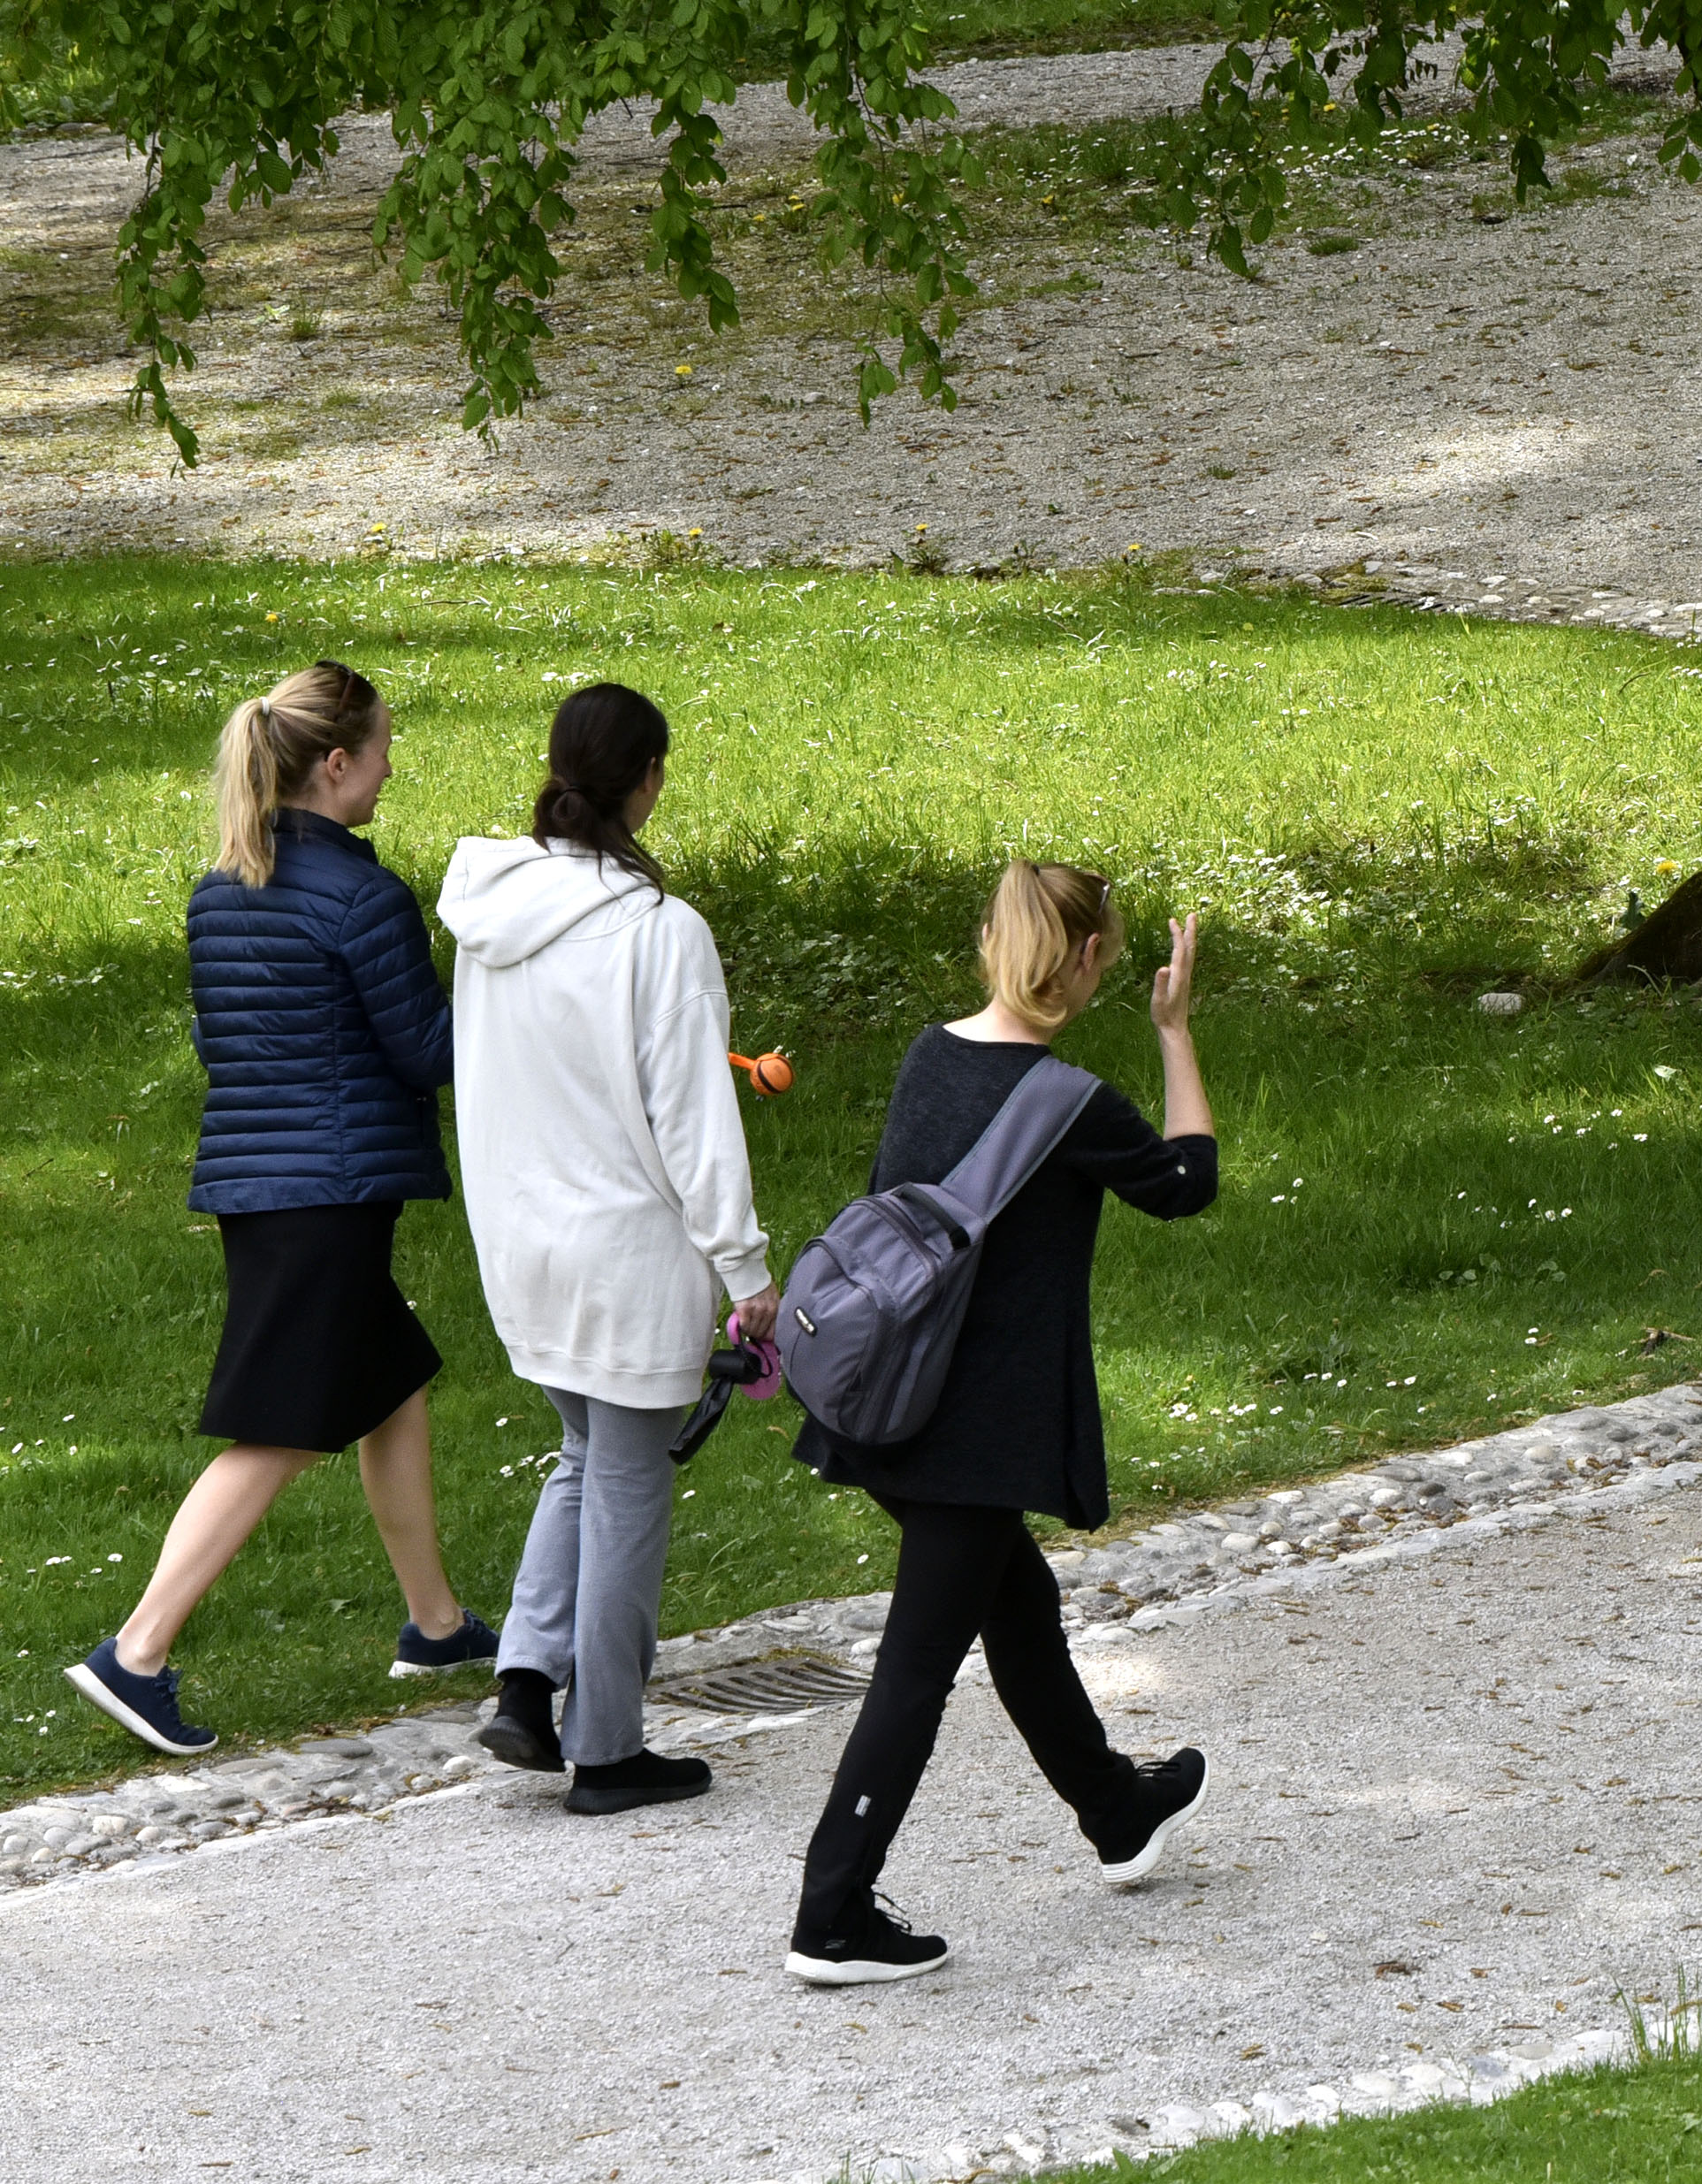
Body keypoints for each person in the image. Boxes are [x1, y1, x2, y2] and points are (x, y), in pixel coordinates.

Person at [782, 861, 1219, 1985]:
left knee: (1018, 1604)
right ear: (1084, 960)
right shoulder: (1072, 1103)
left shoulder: (928, 1059)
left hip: (885, 1405)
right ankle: (832, 1915)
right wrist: (1174, 1032)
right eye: (1108, 960)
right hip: (973, 1438)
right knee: (918, 1665)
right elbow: (1186, 1181)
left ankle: (1118, 1810)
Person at [70, 663, 496, 1759]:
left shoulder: (223, 887)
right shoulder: (364, 896)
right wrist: (513, 998)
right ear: (338, 762)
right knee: (280, 1428)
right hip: (333, 1191)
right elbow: (427, 1051)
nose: (394, 764)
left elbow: (231, 1047)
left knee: (390, 1384)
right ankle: (138, 1652)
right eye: (386, 746)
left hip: (261, 1188)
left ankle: (438, 1627)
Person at [439, 683, 775, 1816]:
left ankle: (529, 1688)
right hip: (624, 1250)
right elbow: (695, 1119)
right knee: (628, 1480)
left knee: (587, 1458)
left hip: (523, 1240)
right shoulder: (659, 931)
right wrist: (747, 1270)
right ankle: (610, 1745)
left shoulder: (491, 909)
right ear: (651, 781)